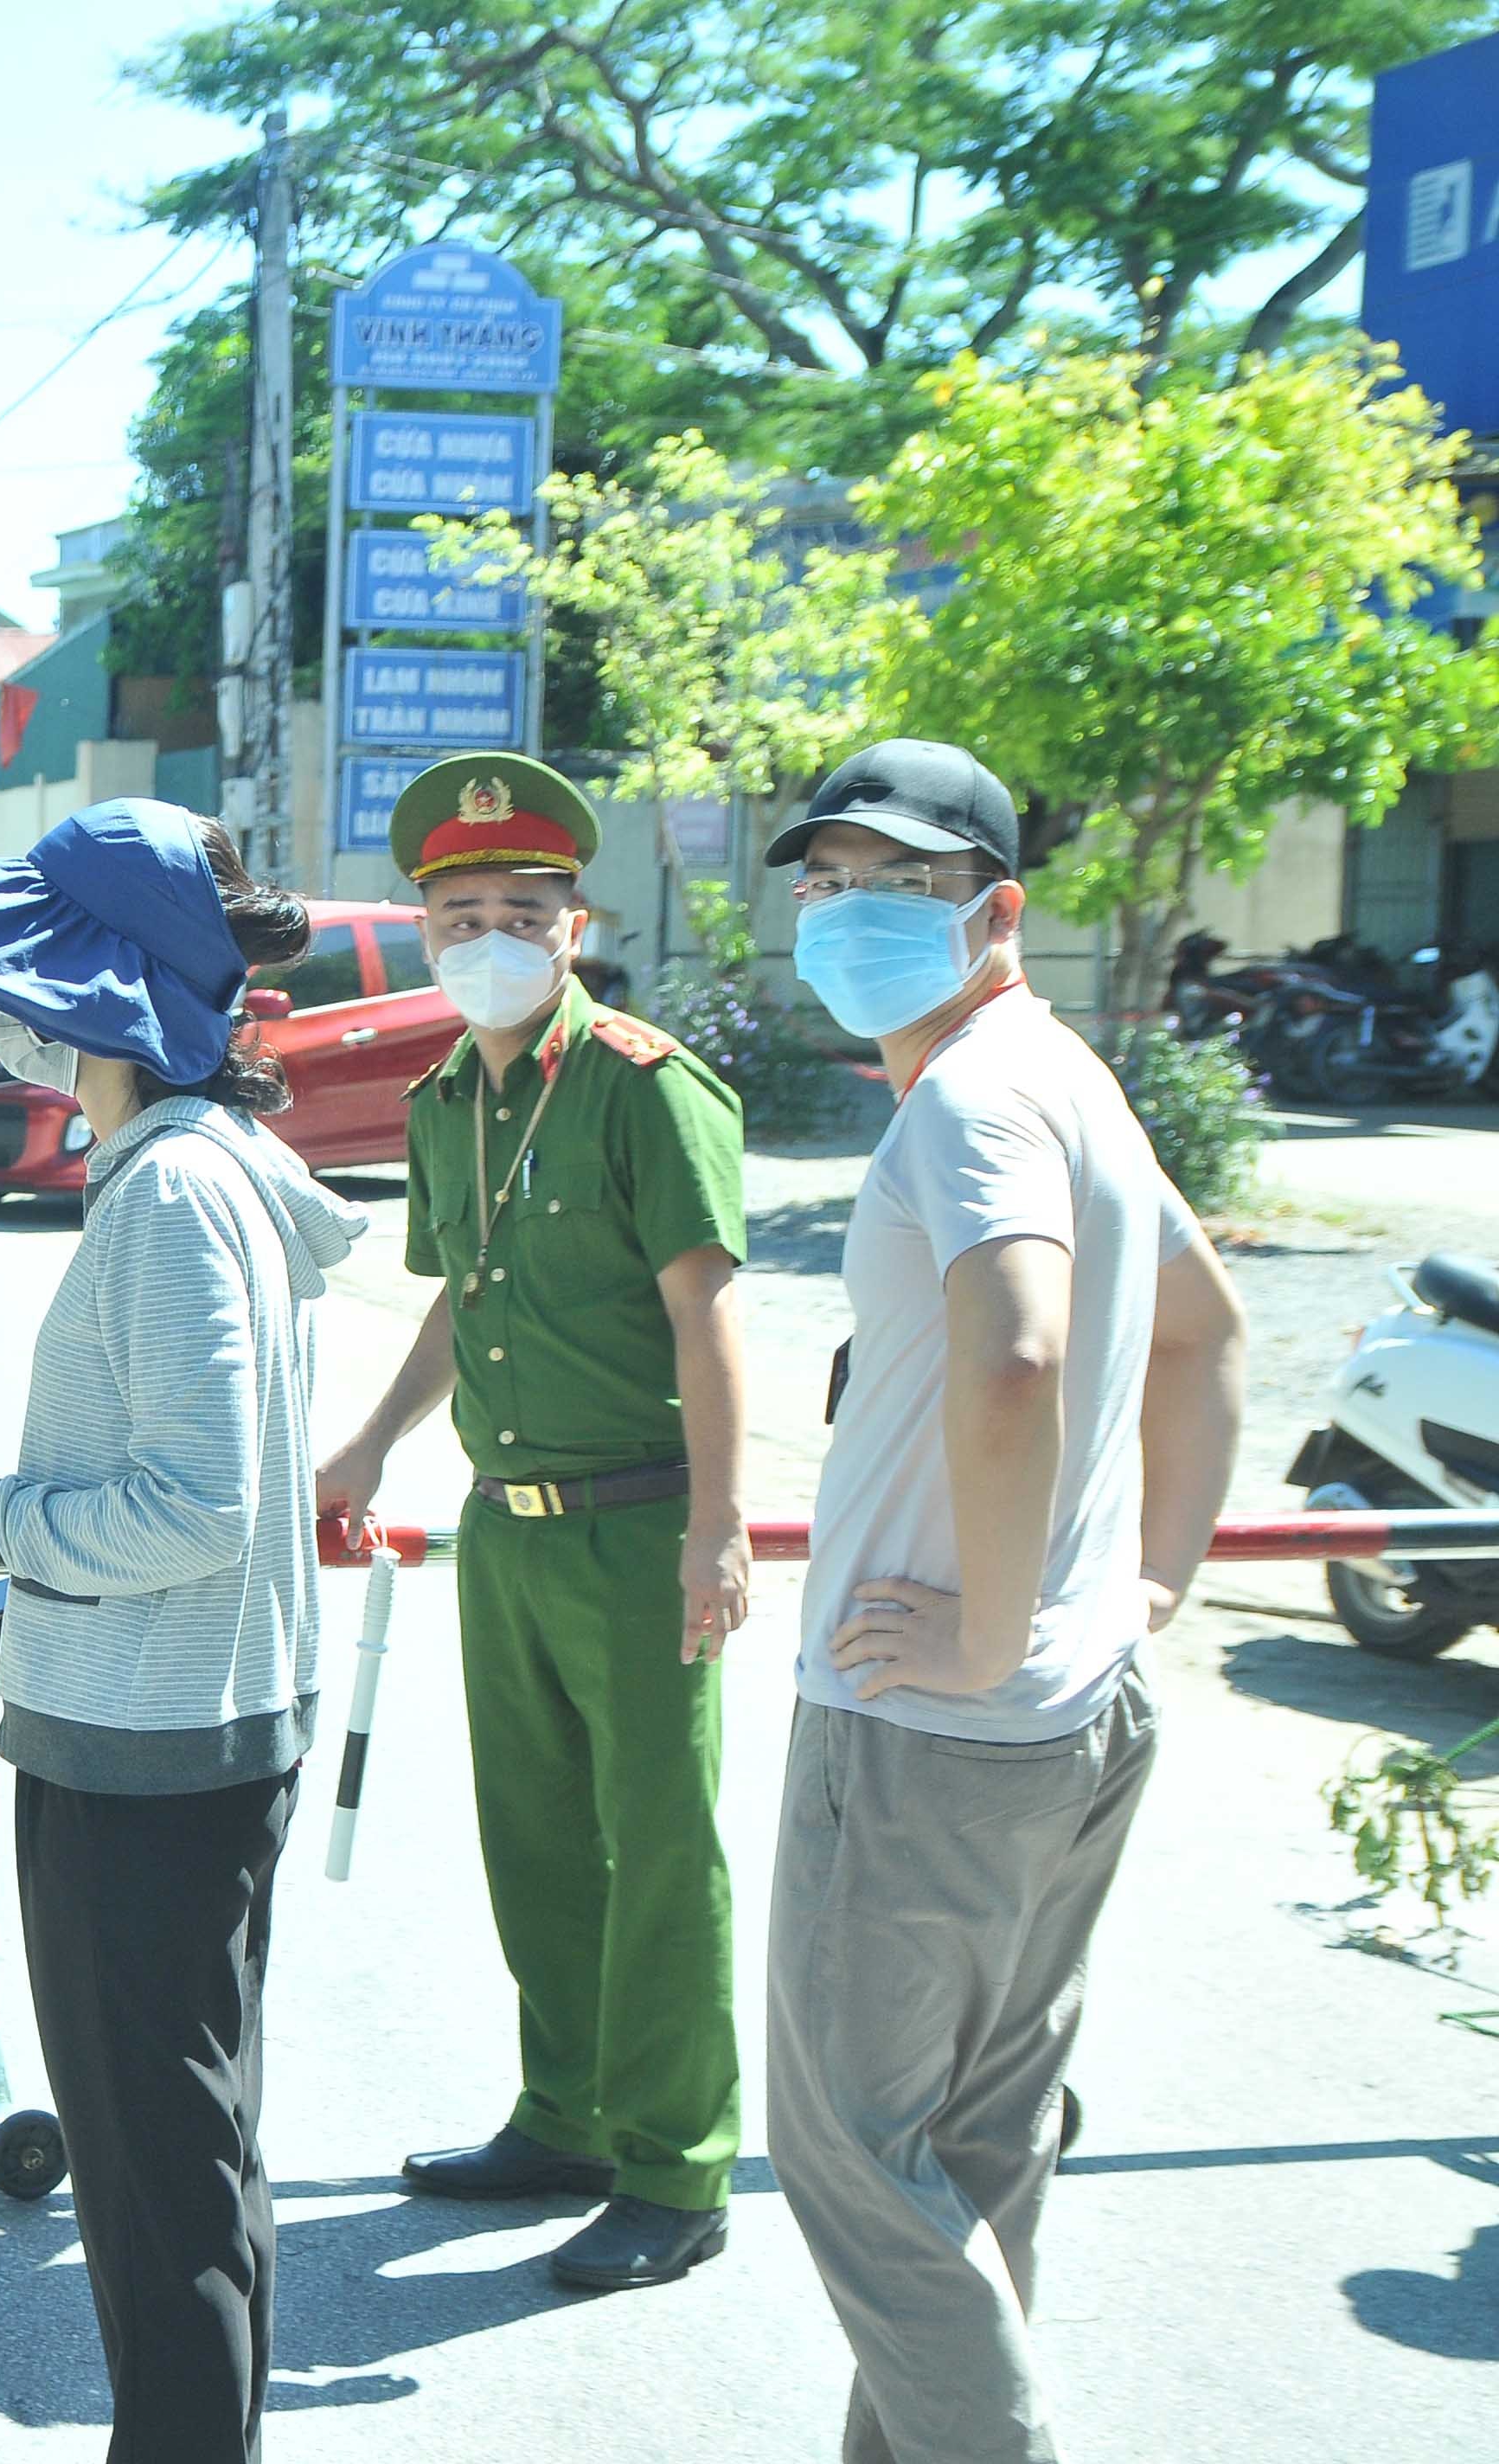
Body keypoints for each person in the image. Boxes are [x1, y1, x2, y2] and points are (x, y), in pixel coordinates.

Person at [0, 799, 367, 2463]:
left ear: (106, 1000)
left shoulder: (169, 1198)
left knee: (161, 2199)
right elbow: (200, 1506)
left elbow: (195, 1507)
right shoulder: (208, 1174)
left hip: (149, 1763)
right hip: (175, 1717)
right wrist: (9, 1600)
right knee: (188, 2171)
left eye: (24, 984)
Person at [760, 741, 1243, 2463]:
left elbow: (1020, 1346)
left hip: (928, 1730)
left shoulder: (971, 1096)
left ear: (993, 905)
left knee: (847, 2157)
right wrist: (1145, 1578)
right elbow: (1198, 1330)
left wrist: (981, 1627)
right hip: (1065, 1714)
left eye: (892, 885)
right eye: (819, 883)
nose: (841, 915)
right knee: (965, 2153)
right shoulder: (1061, 1074)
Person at [311, 752, 753, 2292]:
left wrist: (721, 1526)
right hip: (508, 1528)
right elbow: (457, 1299)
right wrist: (368, 1445)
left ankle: (678, 2166)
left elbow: (707, 1319)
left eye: (521, 907)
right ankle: (564, 2116)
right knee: (542, 1847)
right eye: (459, 911)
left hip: (641, 1528)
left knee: (659, 1848)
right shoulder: (448, 1096)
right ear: (424, 928)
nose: (487, 933)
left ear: (578, 922)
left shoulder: (643, 1084)